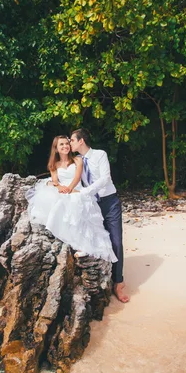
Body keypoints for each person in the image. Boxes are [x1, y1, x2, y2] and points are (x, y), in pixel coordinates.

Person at [27, 135, 118, 263]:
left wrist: (70, 188)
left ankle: (85, 246)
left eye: (66, 143)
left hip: (76, 189)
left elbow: (77, 177)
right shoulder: (54, 164)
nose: (65, 146)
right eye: (61, 145)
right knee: (59, 208)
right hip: (64, 190)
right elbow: (55, 180)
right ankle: (73, 242)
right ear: (56, 149)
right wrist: (59, 187)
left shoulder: (77, 160)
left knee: (77, 206)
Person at [69, 128, 129, 303]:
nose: (70, 143)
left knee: (116, 241)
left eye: (72, 140)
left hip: (109, 202)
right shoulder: (76, 161)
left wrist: (86, 191)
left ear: (81, 141)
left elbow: (105, 178)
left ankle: (118, 282)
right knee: (95, 240)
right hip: (91, 205)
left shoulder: (99, 155)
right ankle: (103, 279)